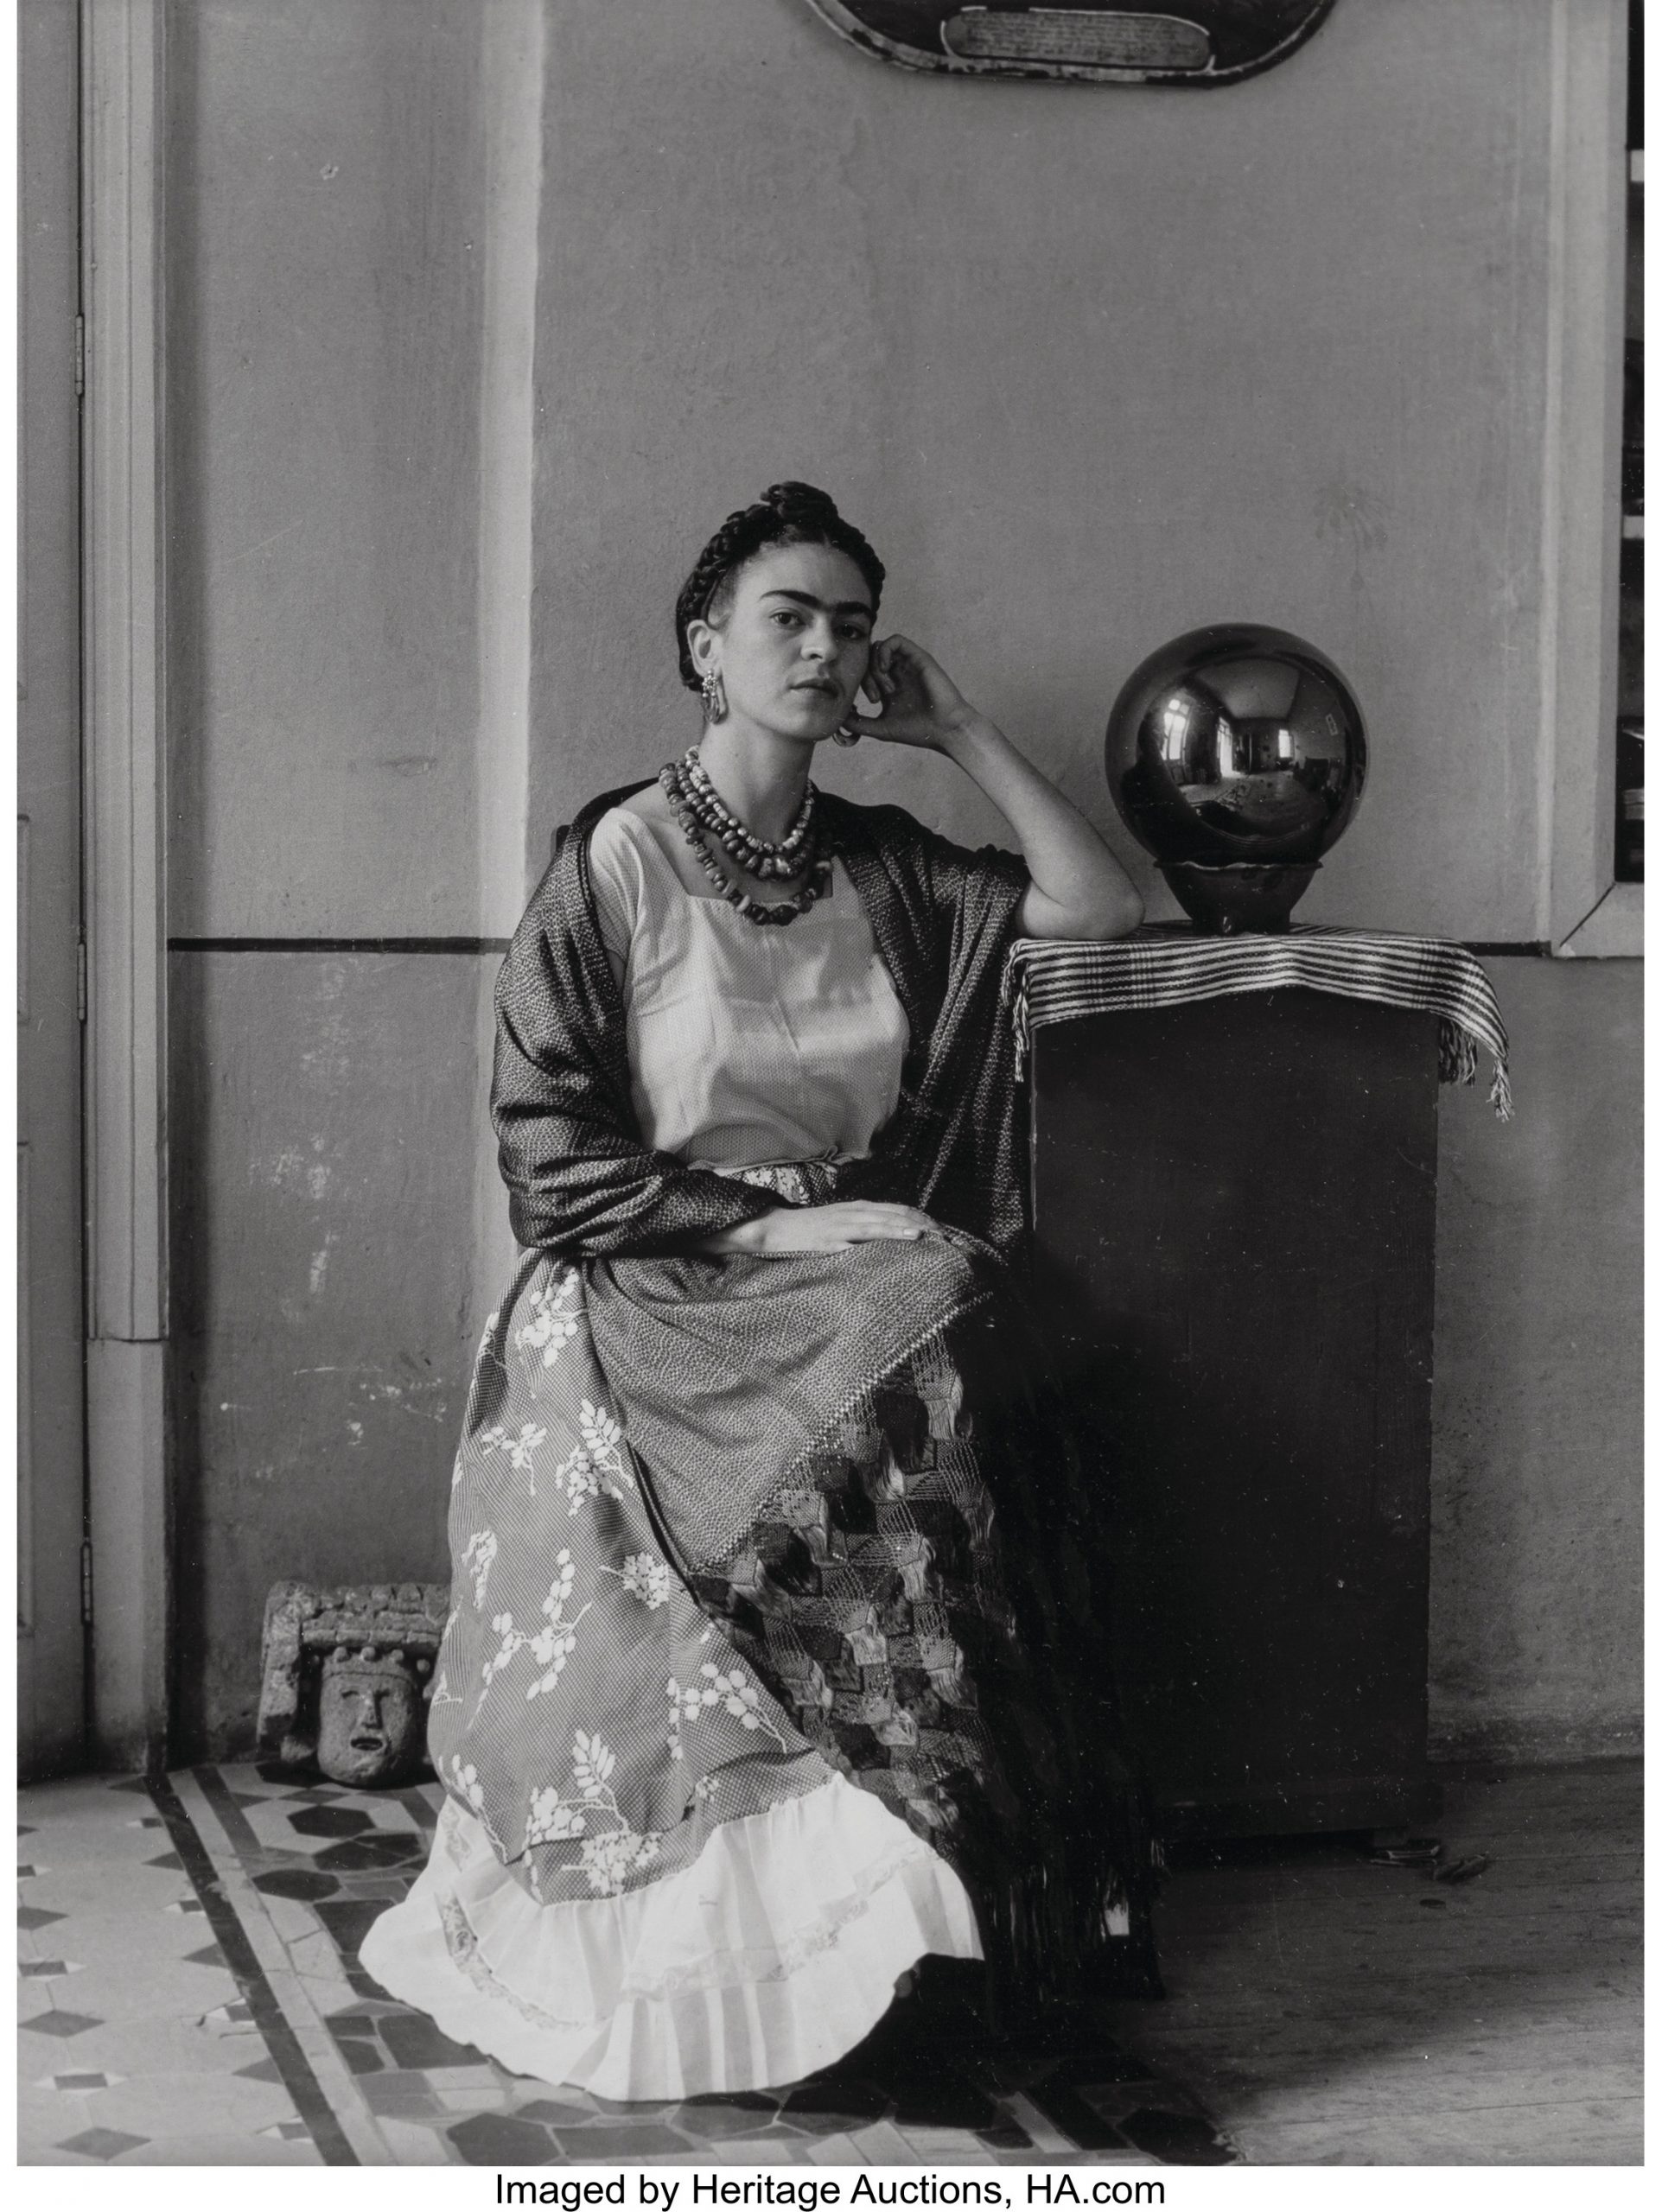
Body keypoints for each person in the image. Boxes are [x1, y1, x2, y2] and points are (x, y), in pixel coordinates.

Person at [361, 482, 1154, 2101]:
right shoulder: (617, 858)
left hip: (852, 1272)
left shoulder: (884, 865)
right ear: (704, 648)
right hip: (659, 1274)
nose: (822, 648)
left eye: (850, 626)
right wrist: (776, 1230)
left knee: (985, 1328)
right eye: (786, 618)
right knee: (924, 1314)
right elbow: (549, 1155)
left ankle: (937, 1931)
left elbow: (1098, 907)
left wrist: (960, 731)